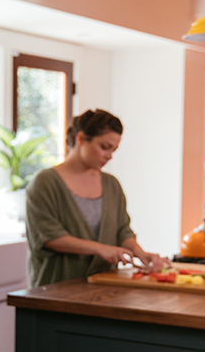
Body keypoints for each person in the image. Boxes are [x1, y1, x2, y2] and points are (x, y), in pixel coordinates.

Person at [25, 109, 166, 287]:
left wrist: (140, 253)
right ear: (81, 139)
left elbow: (122, 231)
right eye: (104, 147)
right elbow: (49, 237)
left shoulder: (111, 184)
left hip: (105, 290)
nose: (109, 156)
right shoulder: (45, 182)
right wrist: (100, 249)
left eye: (113, 150)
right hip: (56, 290)